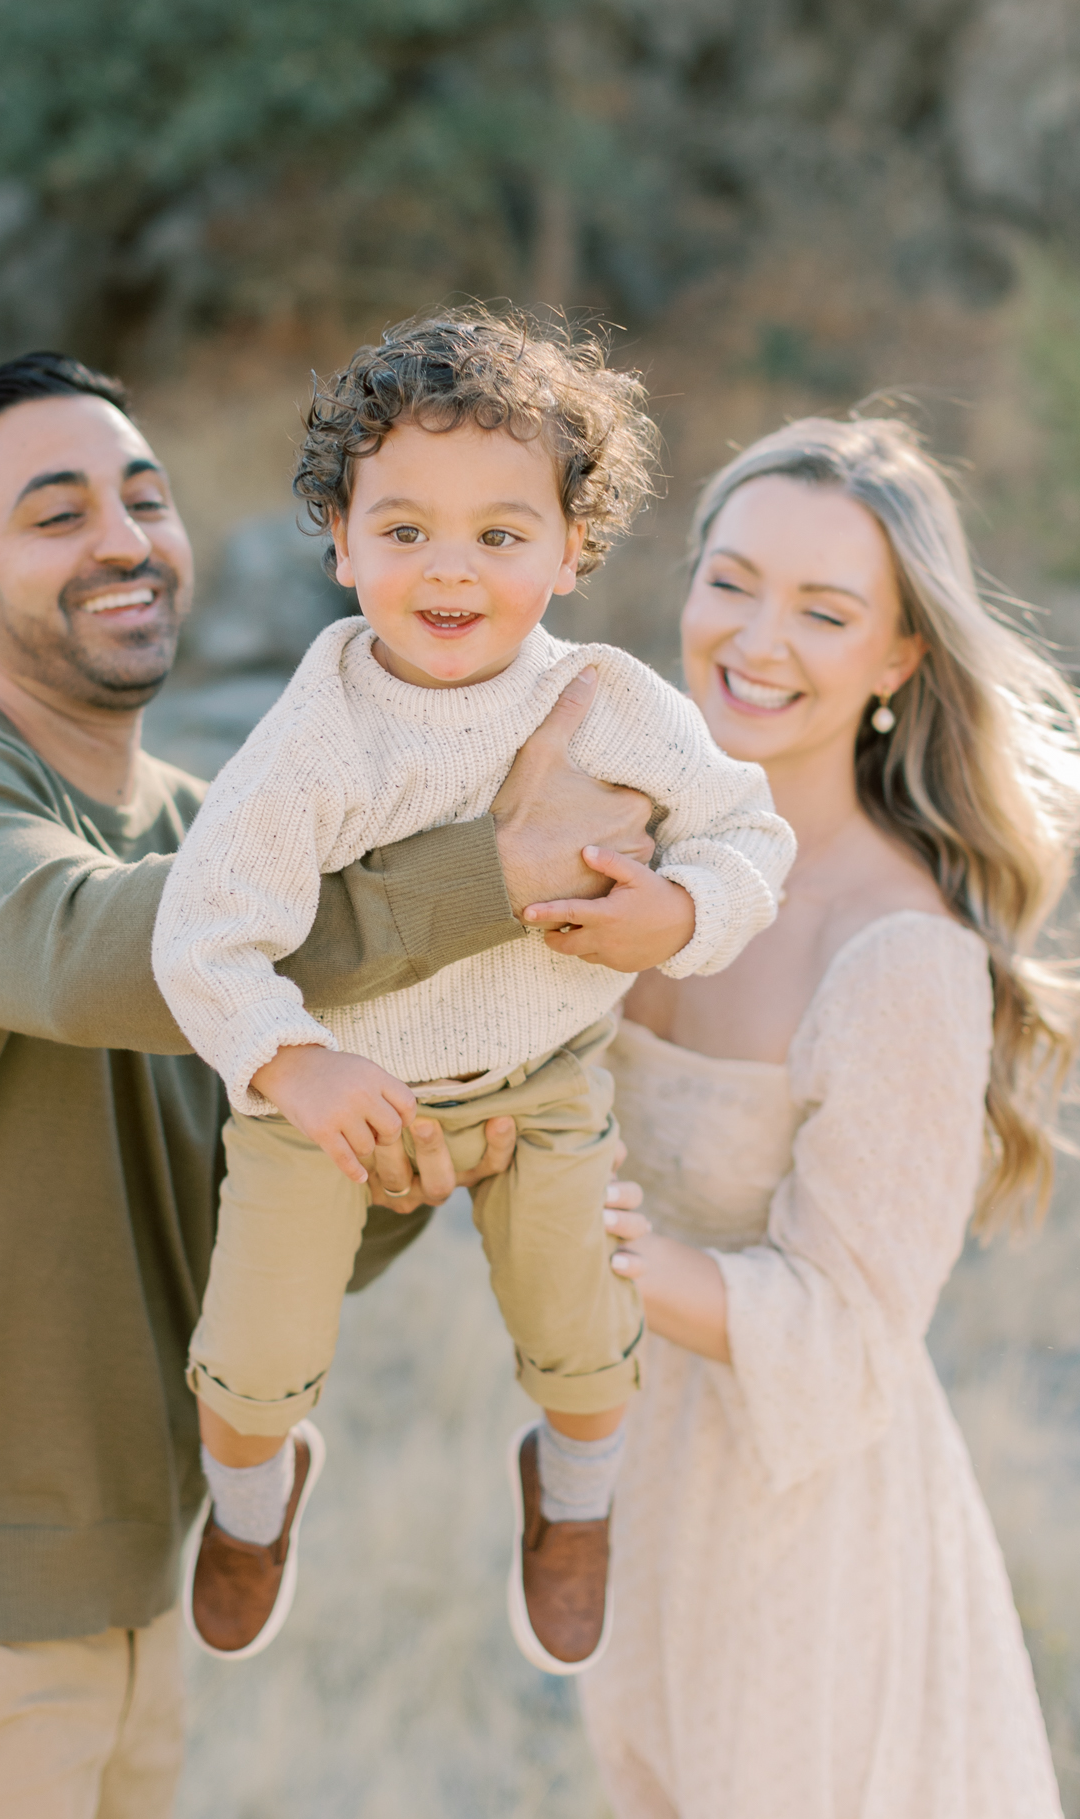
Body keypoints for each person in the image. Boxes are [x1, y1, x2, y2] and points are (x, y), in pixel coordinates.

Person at [0, 349, 661, 1819]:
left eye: (145, 494)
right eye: (55, 508)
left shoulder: (215, 825)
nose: (123, 535)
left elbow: (246, 1206)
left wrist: (443, 1132)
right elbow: (124, 958)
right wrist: (489, 871)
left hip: (124, 1590)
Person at [575, 415, 1080, 1819]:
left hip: (808, 1531)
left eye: (822, 611)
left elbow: (850, 1330)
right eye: (731, 584)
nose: (757, 640)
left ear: (895, 653)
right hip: (639, 1494)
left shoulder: (897, 953)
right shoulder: (635, 854)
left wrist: (589, 1247)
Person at [155, 312, 794, 1676]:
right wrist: (289, 1065)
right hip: (331, 1080)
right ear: (339, 542)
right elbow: (203, 933)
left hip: (542, 1074)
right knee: (250, 1355)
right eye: (404, 532)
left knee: (583, 1340)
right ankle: (250, 1506)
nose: (450, 568)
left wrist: (678, 910)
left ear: (572, 549)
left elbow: (750, 833)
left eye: (501, 535)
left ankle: (571, 1501)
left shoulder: (608, 702)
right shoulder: (319, 733)